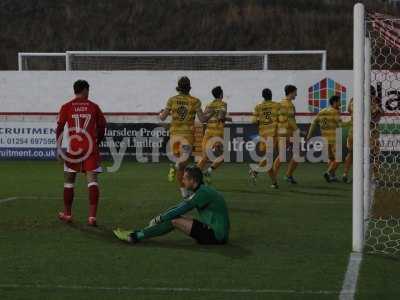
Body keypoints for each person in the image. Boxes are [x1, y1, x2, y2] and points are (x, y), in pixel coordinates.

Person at [113, 165, 230, 245]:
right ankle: (140, 233)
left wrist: (160, 218)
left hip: (216, 236)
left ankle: (136, 236)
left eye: (184, 179)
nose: (182, 181)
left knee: (174, 221)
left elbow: (181, 209)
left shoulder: (202, 193)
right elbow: (179, 206)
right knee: (175, 218)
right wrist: (160, 216)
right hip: (215, 232)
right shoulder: (203, 190)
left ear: (193, 180)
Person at [56, 80, 107, 226]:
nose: (88, 93)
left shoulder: (66, 107)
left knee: (69, 182)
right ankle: (92, 217)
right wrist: (98, 141)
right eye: (88, 90)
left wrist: (59, 148)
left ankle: (67, 214)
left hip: (74, 150)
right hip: (90, 149)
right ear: (84, 90)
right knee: (92, 182)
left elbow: (59, 128)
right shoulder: (94, 107)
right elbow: (103, 126)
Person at [159, 76, 213, 198]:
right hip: (187, 135)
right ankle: (178, 171)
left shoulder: (172, 100)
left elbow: (162, 117)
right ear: (189, 87)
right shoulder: (195, 101)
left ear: (178, 87)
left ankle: (184, 192)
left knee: (182, 165)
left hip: (174, 135)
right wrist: (212, 112)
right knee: (183, 163)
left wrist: (160, 112)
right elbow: (203, 119)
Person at [197, 86, 231, 184]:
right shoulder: (223, 104)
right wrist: (227, 119)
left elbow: (204, 118)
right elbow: (220, 117)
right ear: (221, 94)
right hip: (217, 133)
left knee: (204, 158)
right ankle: (208, 171)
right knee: (223, 156)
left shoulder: (208, 105)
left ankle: (195, 177)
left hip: (208, 132)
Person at [306, 95, 344, 182]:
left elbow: (314, 123)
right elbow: (341, 124)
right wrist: (352, 122)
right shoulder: (334, 111)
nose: (340, 103)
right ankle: (328, 172)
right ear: (334, 102)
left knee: (331, 159)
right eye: (339, 101)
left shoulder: (322, 111)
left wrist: (309, 135)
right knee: (338, 159)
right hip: (334, 138)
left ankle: (332, 176)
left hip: (325, 138)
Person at [248, 88, 280, 188]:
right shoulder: (277, 105)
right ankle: (255, 170)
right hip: (272, 134)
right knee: (269, 158)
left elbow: (253, 121)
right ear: (271, 95)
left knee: (269, 159)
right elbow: (281, 119)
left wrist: (260, 120)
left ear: (263, 96)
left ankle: (274, 183)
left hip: (263, 135)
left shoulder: (258, 107)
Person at [273, 85, 299, 184]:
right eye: (295, 92)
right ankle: (287, 175)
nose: (296, 94)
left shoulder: (280, 103)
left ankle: (278, 176)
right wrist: (297, 130)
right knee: (296, 155)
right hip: (288, 132)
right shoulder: (289, 105)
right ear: (291, 92)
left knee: (283, 155)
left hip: (281, 131)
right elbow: (291, 120)